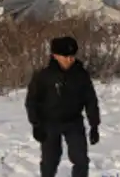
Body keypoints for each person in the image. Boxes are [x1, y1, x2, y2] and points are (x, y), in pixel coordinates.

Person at [24, 36, 100, 177]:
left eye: (72, 56)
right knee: (50, 161)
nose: (70, 59)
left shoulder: (81, 75)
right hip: (49, 123)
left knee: (81, 160)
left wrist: (94, 125)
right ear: (55, 55)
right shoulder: (43, 76)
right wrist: (36, 124)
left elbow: (90, 100)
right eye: (65, 56)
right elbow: (32, 101)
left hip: (74, 122)